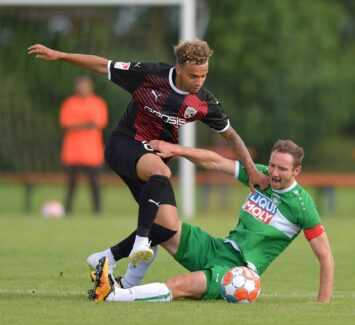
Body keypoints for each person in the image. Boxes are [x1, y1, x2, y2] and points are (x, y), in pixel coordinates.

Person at [28, 40, 268, 267]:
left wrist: (252, 169)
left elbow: (232, 136)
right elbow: (103, 65)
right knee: (161, 170)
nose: (199, 81)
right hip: (124, 144)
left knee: (167, 227)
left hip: (153, 159)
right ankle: (141, 241)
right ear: (179, 69)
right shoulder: (149, 75)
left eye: (204, 75)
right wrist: (60, 55)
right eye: (193, 76)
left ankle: (107, 258)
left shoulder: (204, 102)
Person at [89, 139, 334, 304]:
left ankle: (113, 296)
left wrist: (321, 306)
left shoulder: (303, 206)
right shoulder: (260, 177)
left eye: (282, 168)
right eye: (272, 165)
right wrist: (177, 149)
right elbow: (215, 161)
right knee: (163, 224)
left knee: (179, 285)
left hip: (237, 270)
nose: (274, 173)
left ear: (297, 171)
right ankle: (126, 280)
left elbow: (325, 256)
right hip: (218, 247)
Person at [59, 76, 108, 215]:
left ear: (90, 87)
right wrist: (87, 123)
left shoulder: (98, 103)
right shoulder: (69, 103)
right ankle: (67, 209)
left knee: (94, 183)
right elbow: (66, 123)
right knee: (71, 184)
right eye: (80, 85)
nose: (82, 88)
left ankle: (97, 210)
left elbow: (99, 123)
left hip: (92, 152)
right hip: (72, 151)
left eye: (85, 85)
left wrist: (78, 124)